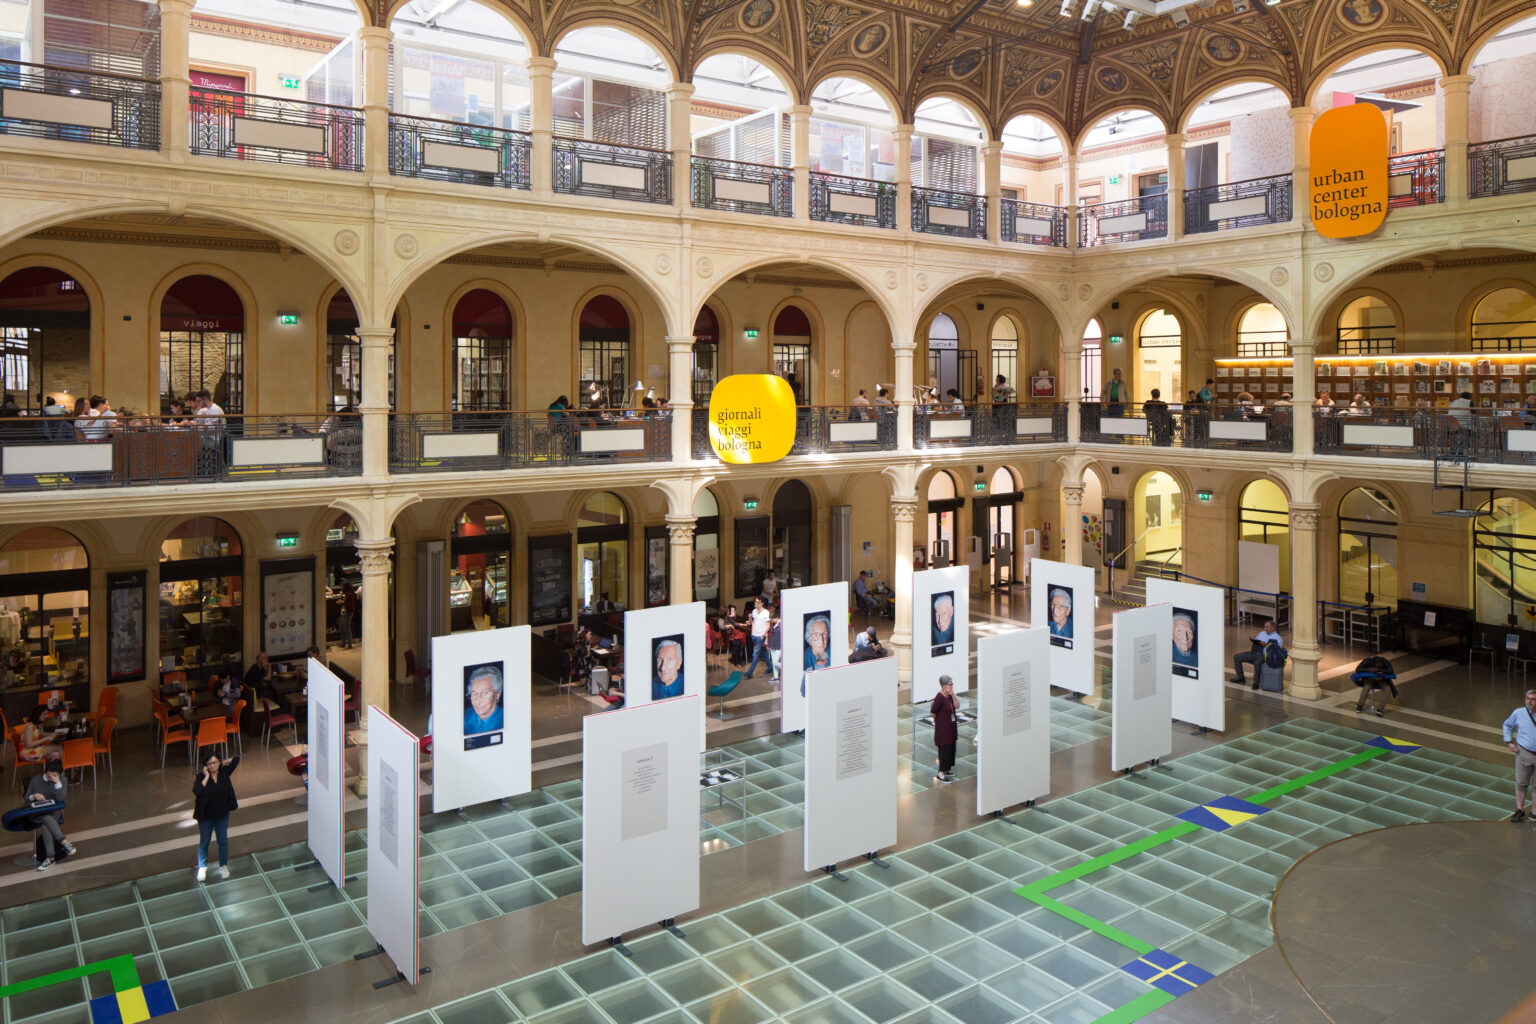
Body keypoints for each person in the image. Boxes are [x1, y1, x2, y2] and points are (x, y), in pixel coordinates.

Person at [192, 751, 240, 881]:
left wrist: (222, 763)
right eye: (209, 763)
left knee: (223, 840)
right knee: (204, 842)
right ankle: (202, 867)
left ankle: (223, 865)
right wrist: (206, 776)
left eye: (214, 762)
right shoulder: (201, 776)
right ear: (205, 766)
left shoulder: (224, 772)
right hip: (206, 816)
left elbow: (236, 759)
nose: (212, 765)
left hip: (222, 814)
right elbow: (197, 791)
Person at [23, 760, 74, 870]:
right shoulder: (35, 780)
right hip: (37, 813)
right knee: (46, 819)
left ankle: (50, 858)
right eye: (49, 775)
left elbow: (60, 799)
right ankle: (64, 842)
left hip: (53, 812)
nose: (51, 777)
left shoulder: (62, 780)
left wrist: (57, 783)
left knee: (46, 825)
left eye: (54, 775)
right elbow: (26, 799)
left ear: (59, 774)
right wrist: (34, 796)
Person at [1501, 688, 1536, 822]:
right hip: (1524, 753)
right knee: (1521, 782)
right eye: (1528, 698)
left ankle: (1534, 811)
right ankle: (1520, 809)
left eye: (1533, 699)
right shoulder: (1519, 712)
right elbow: (1507, 725)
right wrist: (1509, 742)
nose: (1530, 702)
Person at [1232, 618, 1284, 689]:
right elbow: (1257, 640)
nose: (1265, 628)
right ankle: (1240, 677)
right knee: (1236, 657)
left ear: (1272, 628)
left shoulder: (1278, 638)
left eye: (1267, 627)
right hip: (1255, 652)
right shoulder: (1262, 633)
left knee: (1257, 663)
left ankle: (1256, 683)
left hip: (1265, 655)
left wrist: (1266, 645)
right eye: (1264, 627)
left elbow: (1277, 651)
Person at [931, 675, 959, 784]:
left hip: (951, 727)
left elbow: (957, 706)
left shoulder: (949, 695)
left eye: (952, 684)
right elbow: (933, 712)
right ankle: (940, 773)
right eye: (950, 685)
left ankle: (946, 769)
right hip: (943, 729)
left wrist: (953, 694)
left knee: (951, 748)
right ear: (944, 686)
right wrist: (938, 722)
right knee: (945, 750)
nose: (951, 686)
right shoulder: (939, 697)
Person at [464, 663, 504, 733]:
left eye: (485, 693)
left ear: (497, 694)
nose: (478, 702)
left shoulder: (505, 719)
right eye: (474, 694)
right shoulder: (465, 717)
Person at [743, 598, 773, 680]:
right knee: (763, 652)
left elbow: (768, 625)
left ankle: (749, 672)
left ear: (762, 603)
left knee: (755, 654)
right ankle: (770, 667)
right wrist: (751, 627)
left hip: (760, 636)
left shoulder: (766, 612)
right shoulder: (754, 611)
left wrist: (763, 634)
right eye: (755, 602)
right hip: (754, 635)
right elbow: (753, 621)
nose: (756, 603)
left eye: (758, 602)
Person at [802, 615, 831, 694]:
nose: (821, 640)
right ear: (809, 638)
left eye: (824, 634)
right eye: (816, 635)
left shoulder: (832, 651)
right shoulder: (805, 656)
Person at [338, 582, 357, 649]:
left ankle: (349, 644)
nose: (341, 588)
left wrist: (343, 602)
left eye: (342, 587)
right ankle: (343, 643)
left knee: (346, 628)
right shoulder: (347, 594)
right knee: (342, 627)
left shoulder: (350, 595)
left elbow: (350, 605)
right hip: (345, 612)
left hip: (347, 612)